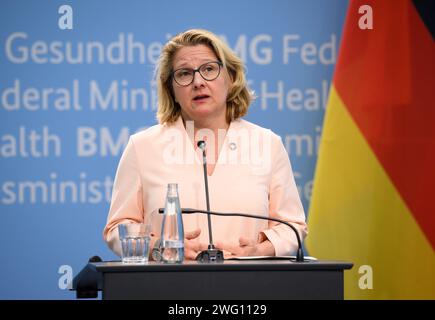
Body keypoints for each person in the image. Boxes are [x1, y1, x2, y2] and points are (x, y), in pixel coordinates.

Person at [103, 29, 307, 260]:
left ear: (230, 78)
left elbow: (293, 227)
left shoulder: (267, 144)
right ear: (171, 88)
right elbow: (118, 228)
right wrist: (159, 247)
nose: (198, 82)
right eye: (184, 74)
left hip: (250, 285)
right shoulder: (143, 147)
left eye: (209, 69)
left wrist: (260, 249)